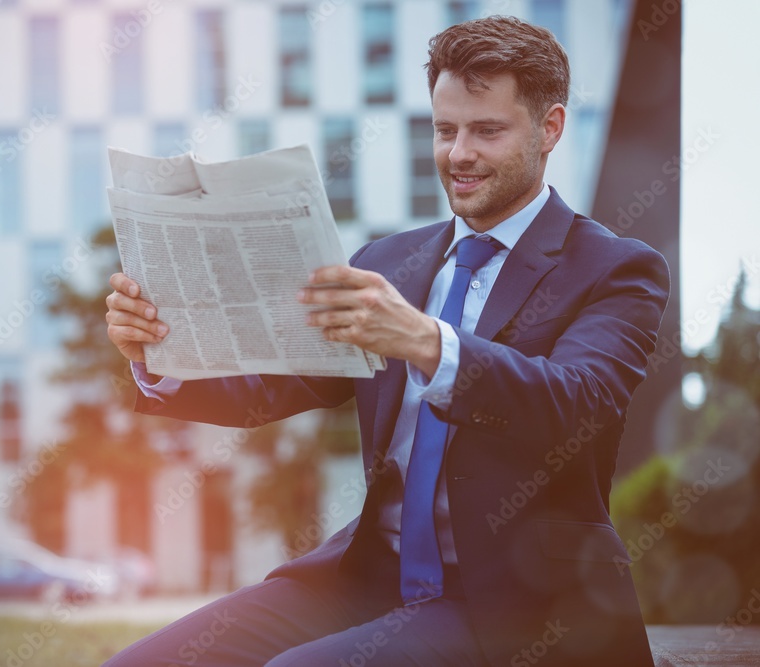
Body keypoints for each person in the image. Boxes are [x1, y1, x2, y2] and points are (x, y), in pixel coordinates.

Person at [102, 15, 668, 667]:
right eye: (445, 129)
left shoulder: (615, 268)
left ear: (550, 129)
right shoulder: (390, 261)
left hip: (518, 603)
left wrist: (429, 342)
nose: (459, 153)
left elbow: (576, 403)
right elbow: (275, 382)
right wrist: (161, 354)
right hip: (367, 581)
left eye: (487, 130)